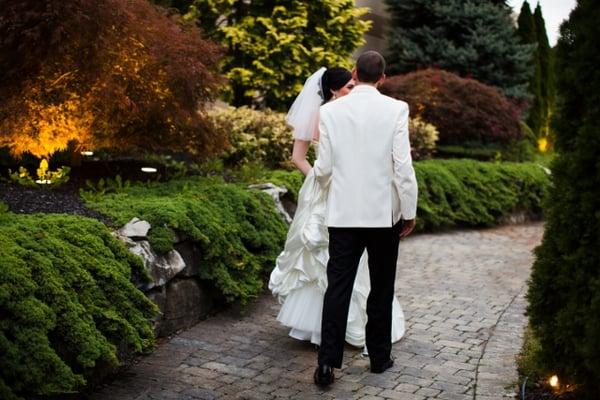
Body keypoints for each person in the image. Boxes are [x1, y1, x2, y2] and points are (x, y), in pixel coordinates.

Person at [269, 66, 405, 349]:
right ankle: (319, 328)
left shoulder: (344, 113)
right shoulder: (325, 114)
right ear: (334, 89)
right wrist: (319, 181)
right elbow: (298, 157)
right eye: (348, 87)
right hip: (327, 190)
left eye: (354, 85)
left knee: (342, 263)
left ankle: (340, 332)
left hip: (344, 192)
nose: (352, 91)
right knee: (320, 256)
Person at [312, 51, 418, 386]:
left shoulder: (329, 111)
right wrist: (410, 211)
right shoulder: (396, 109)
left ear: (355, 73)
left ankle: (326, 365)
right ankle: (379, 358)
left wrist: (334, 188)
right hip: (383, 214)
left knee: (338, 288)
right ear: (383, 77)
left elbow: (324, 168)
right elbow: (403, 167)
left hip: (343, 214)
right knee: (382, 286)